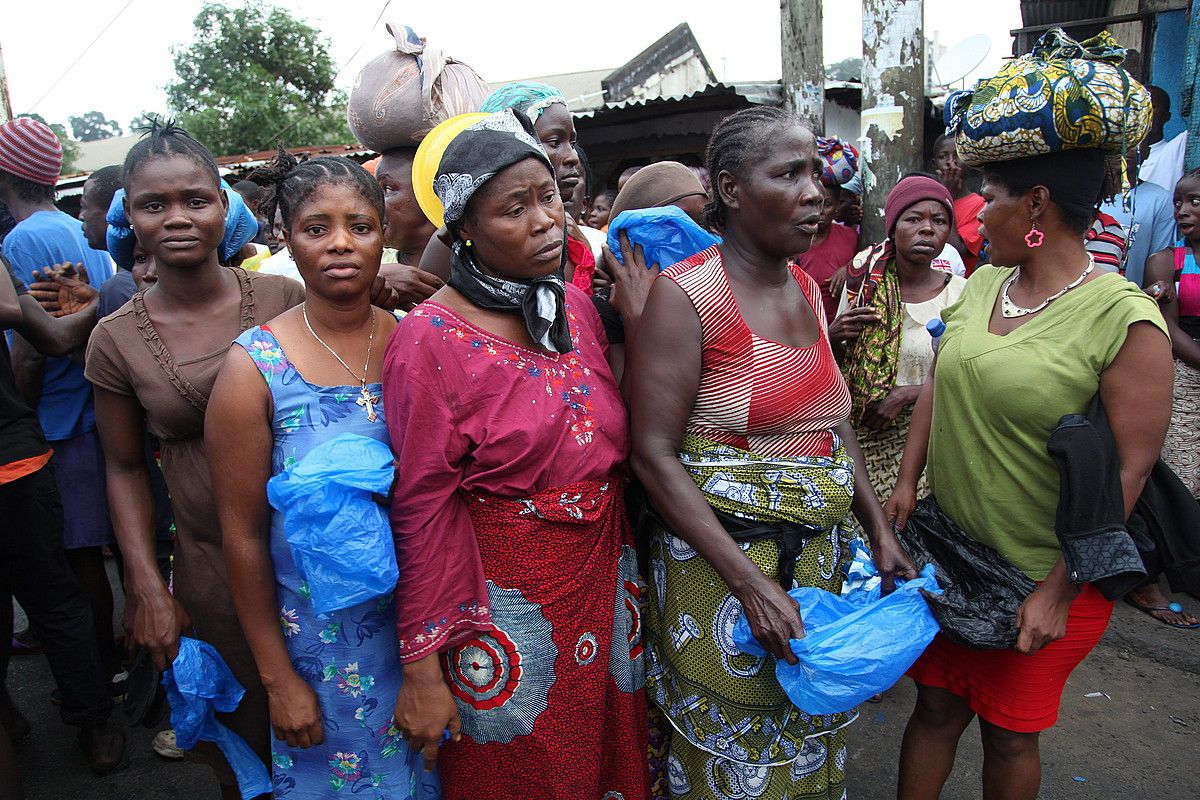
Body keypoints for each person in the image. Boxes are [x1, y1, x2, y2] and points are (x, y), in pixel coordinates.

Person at [630, 106, 915, 797]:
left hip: (814, 568)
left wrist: (879, 532)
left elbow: (834, 419)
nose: (815, 191)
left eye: (814, 173)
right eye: (788, 173)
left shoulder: (810, 289)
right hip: (724, 572)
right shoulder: (688, 296)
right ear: (730, 189)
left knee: (810, 739)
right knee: (732, 761)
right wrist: (751, 585)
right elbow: (653, 455)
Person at [884, 147, 1172, 800]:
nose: (978, 212)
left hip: (1040, 570)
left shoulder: (1124, 319)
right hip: (954, 554)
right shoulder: (987, 282)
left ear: (1036, 205)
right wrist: (907, 482)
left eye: (991, 196)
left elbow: (1130, 469)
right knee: (932, 709)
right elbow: (938, 381)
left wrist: (1058, 591)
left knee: (1010, 734)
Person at [385, 110, 649, 799]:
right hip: (505, 609)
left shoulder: (574, 310)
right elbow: (420, 507)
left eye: (550, 198)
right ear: (463, 228)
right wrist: (420, 664)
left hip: (602, 582)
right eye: (514, 208)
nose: (545, 221)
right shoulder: (429, 338)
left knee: (603, 768)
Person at [84, 120, 305, 798]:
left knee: (337, 727)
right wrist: (147, 589)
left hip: (314, 558)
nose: (177, 218)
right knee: (248, 737)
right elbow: (122, 469)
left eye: (195, 199)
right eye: (155, 205)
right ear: (132, 217)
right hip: (212, 569)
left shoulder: (282, 299)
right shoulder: (114, 341)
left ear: (222, 206)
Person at [207, 153, 439, 797]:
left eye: (359, 226)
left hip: (425, 635)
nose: (341, 243)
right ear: (285, 237)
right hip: (320, 652)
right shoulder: (254, 368)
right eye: (317, 227)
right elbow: (244, 536)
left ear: (383, 235)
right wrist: (280, 679)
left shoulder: (420, 342)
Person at [0, 118, 122, 690]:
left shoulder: (21, 242)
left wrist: (19, 417)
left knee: (73, 559)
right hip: (94, 410)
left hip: (56, 423)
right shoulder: (76, 230)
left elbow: (32, 349)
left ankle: (99, 671)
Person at [0, 255, 128, 775]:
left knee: (52, 596)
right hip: (16, 453)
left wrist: (98, 304)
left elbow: (43, 336)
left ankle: (92, 718)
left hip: (11, 461)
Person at [832, 174, 966, 503]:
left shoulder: (962, 294)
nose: (927, 229)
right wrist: (833, 335)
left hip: (933, 439)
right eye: (914, 219)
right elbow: (831, 368)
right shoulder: (864, 286)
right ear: (893, 227)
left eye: (939, 220)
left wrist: (907, 395)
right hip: (864, 437)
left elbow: (969, 375)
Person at [1134, 167, 1200, 628]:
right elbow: (1167, 321)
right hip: (1188, 367)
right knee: (1181, 472)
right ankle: (1165, 571)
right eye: (1179, 202)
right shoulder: (1172, 262)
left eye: (1194, 201)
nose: (1183, 210)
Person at [373, 147, 446, 308]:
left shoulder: (475, 268)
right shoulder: (373, 266)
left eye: (387, 189)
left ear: (432, 195)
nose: (372, 203)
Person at [1099, 147, 1176, 287]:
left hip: (1135, 299)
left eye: (1134, 142)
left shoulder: (1159, 199)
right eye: (1118, 142)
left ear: (1147, 152)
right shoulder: (1088, 197)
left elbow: (1158, 262)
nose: (1125, 148)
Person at [797, 179, 859, 320]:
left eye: (827, 205)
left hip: (839, 324)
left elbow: (866, 265)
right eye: (815, 203)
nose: (820, 211)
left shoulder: (851, 237)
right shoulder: (794, 240)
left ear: (837, 207)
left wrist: (849, 269)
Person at [931, 134, 987, 273]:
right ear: (934, 163)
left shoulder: (979, 205)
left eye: (956, 156)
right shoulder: (928, 200)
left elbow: (956, 251)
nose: (950, 162)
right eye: (943, 156)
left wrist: (947, 195)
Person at [1140, 86, 1188, 194]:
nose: (1143, 113)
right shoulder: (1115, 156)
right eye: (1139, 107)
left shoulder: (1174, 151)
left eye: (1151, 107)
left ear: (1166, 117)